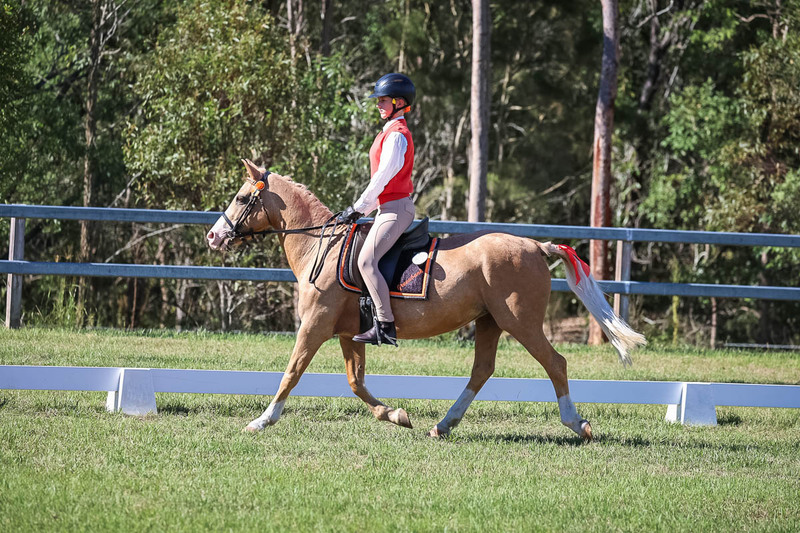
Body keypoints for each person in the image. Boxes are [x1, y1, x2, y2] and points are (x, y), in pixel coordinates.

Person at [338, 73, 417, 346]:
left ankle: (384, 325)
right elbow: (381, 185)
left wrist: (358, 208)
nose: (378, 105)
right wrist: (360, 210)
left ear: (398, 102)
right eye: (379, 100)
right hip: (386, 207)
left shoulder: (397, 136)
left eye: (383, 100)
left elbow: (382, 178)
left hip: (396, 209)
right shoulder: (388, 132)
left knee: (366, 261)